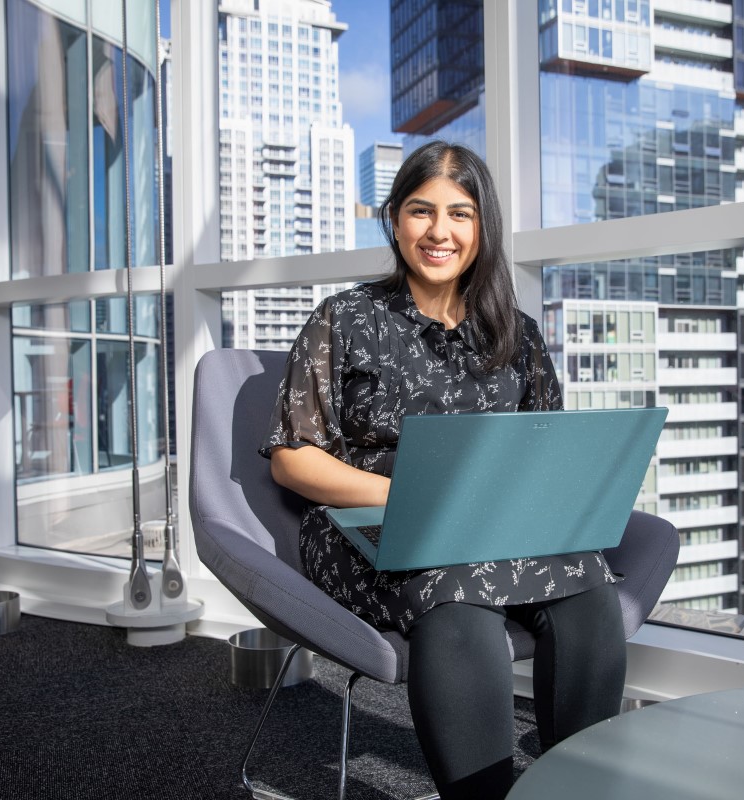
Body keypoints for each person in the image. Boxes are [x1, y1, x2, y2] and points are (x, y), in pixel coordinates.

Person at [259, 141, 627, 799]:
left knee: (590, 588)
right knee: (455, 599)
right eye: (421, 211)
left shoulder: (515, 332)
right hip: (367, 518)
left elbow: (546, 449)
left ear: (482, 225)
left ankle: (575, 788)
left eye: (460, 213)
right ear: (395, 219)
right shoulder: (343, 318)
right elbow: (292, 457)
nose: (439, 231)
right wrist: (410, 494)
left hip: (492, 521)